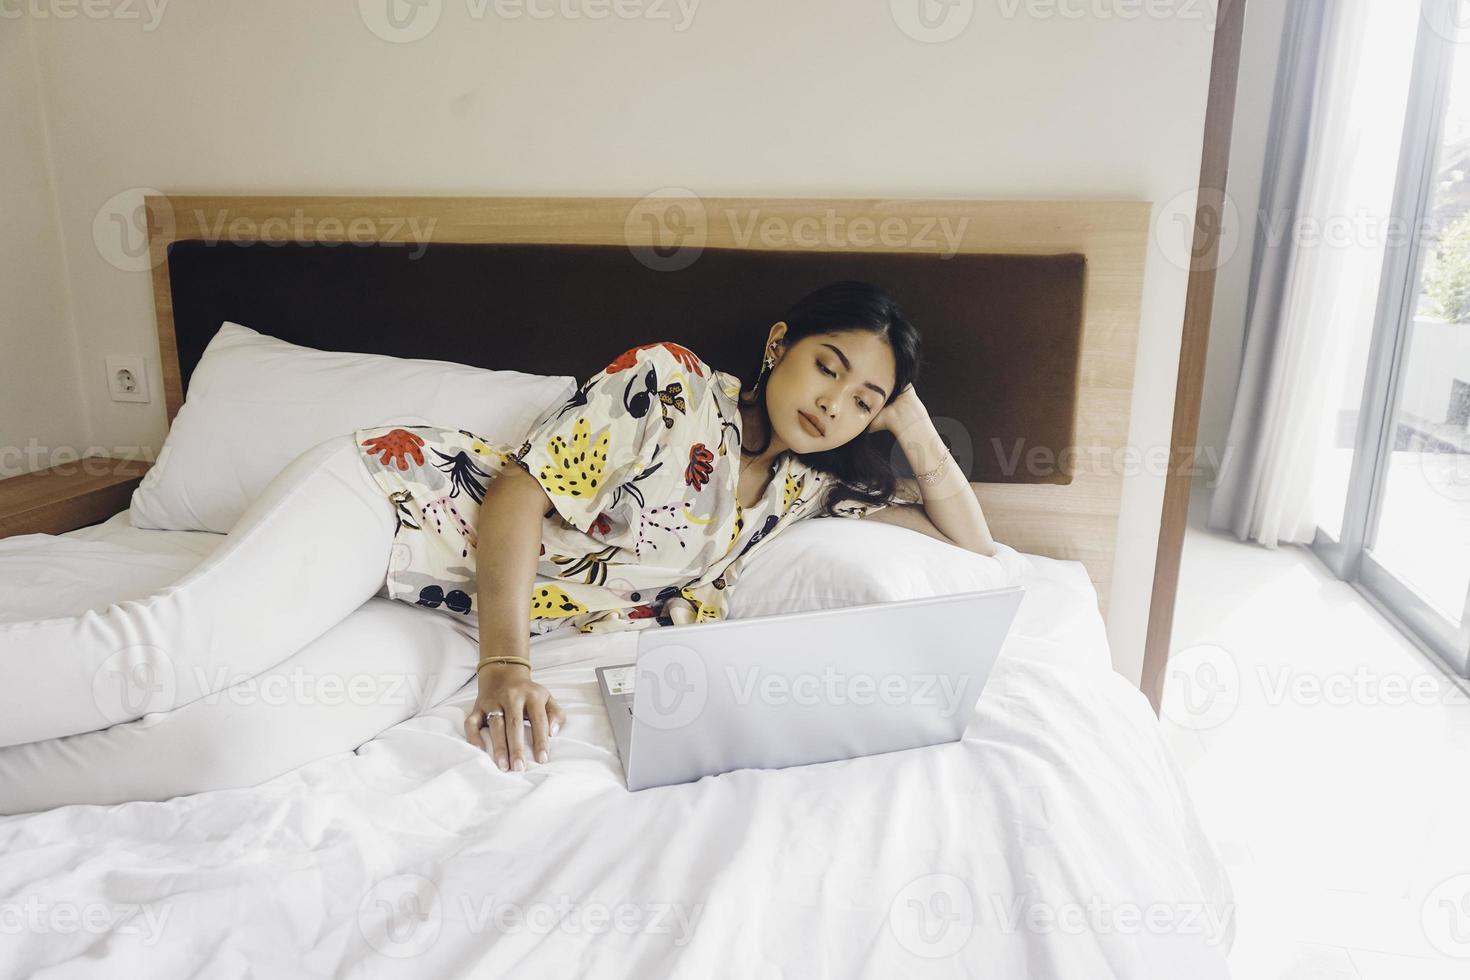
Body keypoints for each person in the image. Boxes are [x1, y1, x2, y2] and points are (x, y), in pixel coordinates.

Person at [0, 280, 995, 784]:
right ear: (779, 344)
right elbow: (519, 494)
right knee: (163, 655)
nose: (836, 402)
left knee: (228, 747)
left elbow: (974, 549)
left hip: (448, 617)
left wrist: (909, 419)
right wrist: (505, 665)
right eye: (829, 365)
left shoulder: (797, 497)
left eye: (862, 397)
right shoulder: (672, 379)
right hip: (400, 501)